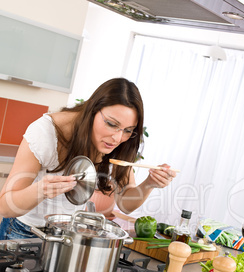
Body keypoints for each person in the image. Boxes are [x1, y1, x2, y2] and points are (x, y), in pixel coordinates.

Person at [0, 78, 176, 240]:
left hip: (68, 235)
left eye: (128, 130)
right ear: (92, 110)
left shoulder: (122, 143)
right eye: (111, 124)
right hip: (23, 231)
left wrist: (149, 183)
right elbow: (5, 206)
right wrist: (41, 190)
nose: (117, 138)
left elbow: (125, 204)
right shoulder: (47, 132)